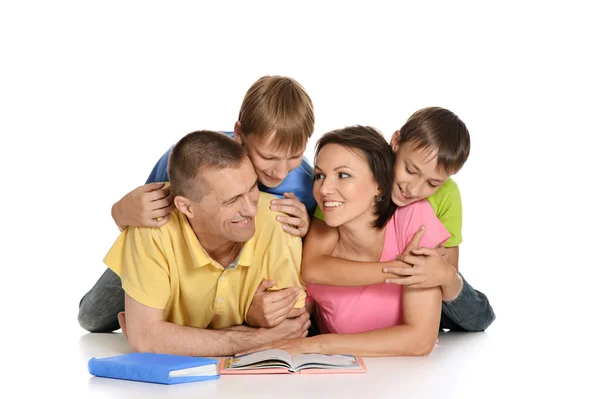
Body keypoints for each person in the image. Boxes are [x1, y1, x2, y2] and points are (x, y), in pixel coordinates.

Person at [78, 75, 316, 332]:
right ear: (239, 134)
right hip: (178, 261)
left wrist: (308, 227)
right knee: (92, 317)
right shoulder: (187, 161)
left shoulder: (303, 185)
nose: (281, 171)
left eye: (295, 155)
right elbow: (145, 229)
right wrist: (119, 213)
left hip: (245, 269)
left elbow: (309, 253)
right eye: (268, 157)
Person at [244, 126, 450, 357]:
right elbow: (290, 326)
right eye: (319, 176)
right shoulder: (314, 249)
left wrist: (320, 345)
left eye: (343, 175)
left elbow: (420, 340)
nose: (324, 189)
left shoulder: (413, 219)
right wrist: (253, 315)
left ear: (380, 184)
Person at [104, 130, 311, 357]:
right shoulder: (151, 226)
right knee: (92, 314)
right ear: (187, 207)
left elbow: (292, 327)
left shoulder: (280, 219)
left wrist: (171, 337)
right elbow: (145, 340)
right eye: (232, 200)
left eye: (253, 188)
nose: (252, 210)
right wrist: (256, 336)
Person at [301, 107, 495, 332]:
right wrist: (398, 269)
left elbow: (441, 272)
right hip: (386, 281)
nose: (413, 189)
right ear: (395, 142)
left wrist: (445, 274)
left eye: (432, 183)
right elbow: (316, 261)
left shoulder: (447, 195)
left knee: (473, 311)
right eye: (410, 170)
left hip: (424, 285)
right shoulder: (365, 174)